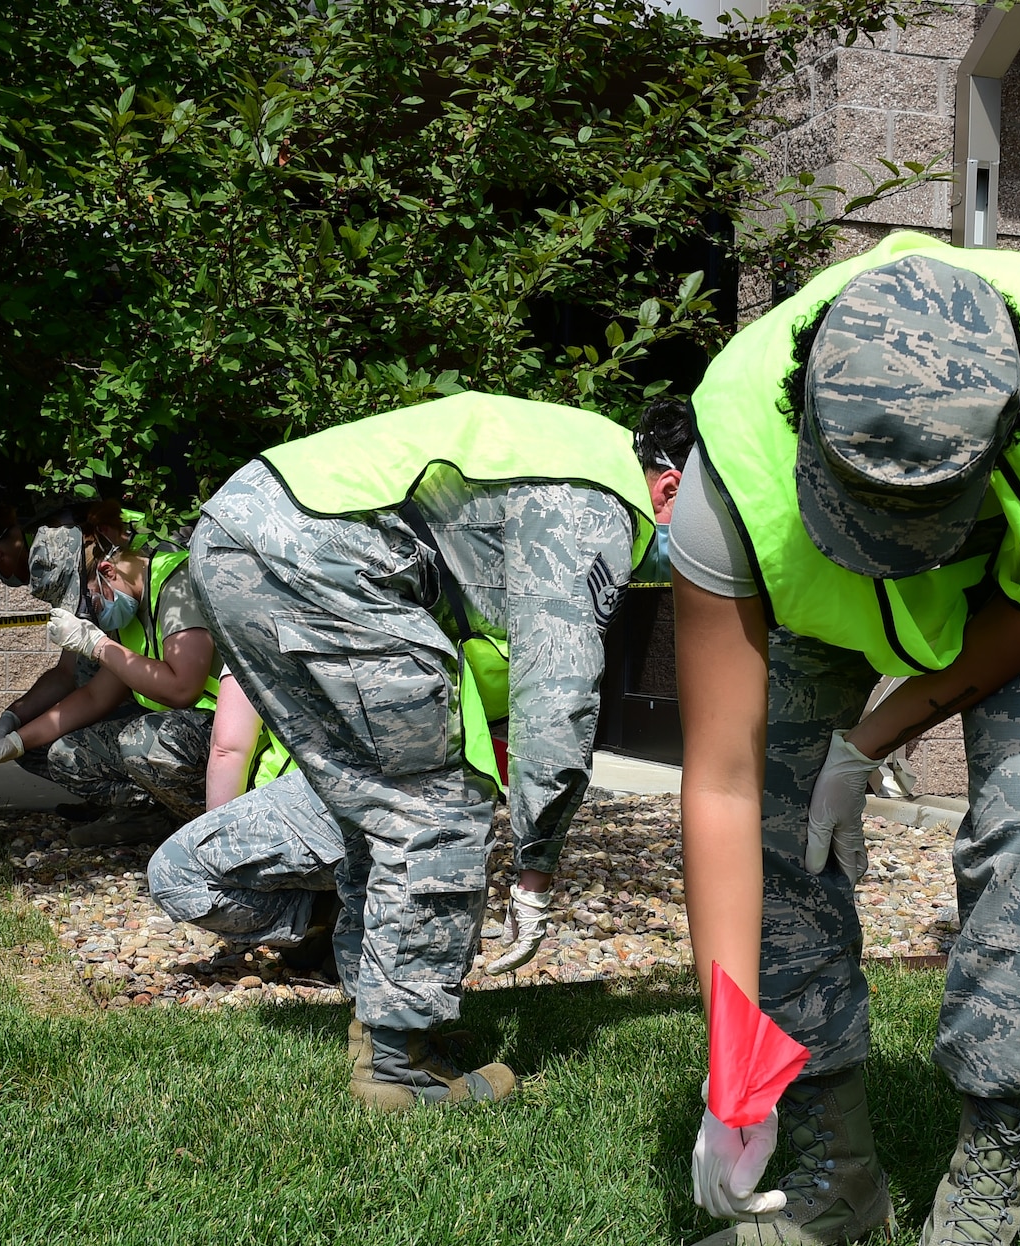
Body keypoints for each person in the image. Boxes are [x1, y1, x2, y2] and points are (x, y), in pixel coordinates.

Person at [671, 234, 1020, 1246]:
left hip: (1018, 602)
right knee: (777, 829)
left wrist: (881, 735)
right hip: (805, 608)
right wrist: (730, 1065)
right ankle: (830, 1178)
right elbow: (717, 780)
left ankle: (983, 1196)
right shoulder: (724, 474)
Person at [186, 392, 682, 1112]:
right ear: (668, 488)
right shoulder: (598, 498)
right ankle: (397, 1072)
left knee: (381, 811)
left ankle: (381, 1026)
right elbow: (560, 692)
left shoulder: (567, 448)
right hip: (316, 558)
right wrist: (536, 869)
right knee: (438, 803)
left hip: (239, 537)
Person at [0, 536, 223, 845]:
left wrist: (99, 646)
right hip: (194, 734)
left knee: (144, 741)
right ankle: (156, 819)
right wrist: (15, 741)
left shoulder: (176, 586)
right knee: (65, 754)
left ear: (108, 571)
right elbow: (94, 696)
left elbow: (182, 689)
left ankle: (213, 826)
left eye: (88, 603)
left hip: (232, 731)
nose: (93, 618)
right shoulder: (130, 608)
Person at [145, 670, 345, 966]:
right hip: (389, 813)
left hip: (312, 814)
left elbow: (228, 749)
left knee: (175, 873)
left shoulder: (258, 630)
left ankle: (333, 912)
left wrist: (215, 839)